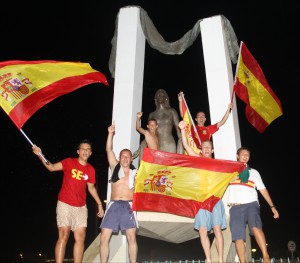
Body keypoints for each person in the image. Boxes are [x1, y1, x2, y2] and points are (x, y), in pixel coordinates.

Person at [32, 140, 104, 263]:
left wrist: (99, 204)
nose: (85, 151)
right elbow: (52, 167)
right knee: (64, 235)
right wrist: (40, 155)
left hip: (81, 207)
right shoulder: (69, 162)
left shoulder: (90, 169)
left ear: (91, 153)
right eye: (83, 149)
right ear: (78, 151)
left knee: (80, 238)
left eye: (88, 149)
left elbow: (91, 188)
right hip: (65, 204)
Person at [179, 120, 226, 263]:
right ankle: (209, 259)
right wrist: (182, 130)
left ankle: (221, 260)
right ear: (202, 149)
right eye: (204, 146)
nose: (206, 148)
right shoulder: (198, 159)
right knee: (202, 231)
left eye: (209, 147)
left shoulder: (219, 164)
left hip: (215, 200)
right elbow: (186, 145)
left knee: (217, 229)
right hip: (201, 200)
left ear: (212, 150)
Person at [227, 147, 279, 263]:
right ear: (237, 156)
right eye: (243, 154)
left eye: (247, 155)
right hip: (235, 206)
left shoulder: (254, 172)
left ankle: (266, 257)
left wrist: (272, 207)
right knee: (238, 237)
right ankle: (243, 261)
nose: (245, 156)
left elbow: (263, 190)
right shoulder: (229, 171)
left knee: (256, 227)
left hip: (251, 203)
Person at [100, 123, 138, 263]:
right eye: (123, 156)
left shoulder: (136, 172)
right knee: (104, 236)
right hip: (114, 205)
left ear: (131, 159)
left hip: (129, 206)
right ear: (120, 158)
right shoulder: (115, 166)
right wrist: (110, 133)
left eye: (127, 156)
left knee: (132, 237)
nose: (125, 158)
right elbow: (108, 149)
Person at [149, 89, 183, 154]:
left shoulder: (172, 111)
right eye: (158, 95)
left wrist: (182, 141)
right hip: (157, 145)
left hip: (170, 144)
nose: (160, 96)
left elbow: (178, 129)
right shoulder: (152, 115)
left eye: (162, 95)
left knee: (171, 164)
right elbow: (149, 133)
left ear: (166, 98)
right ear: (155, 98)